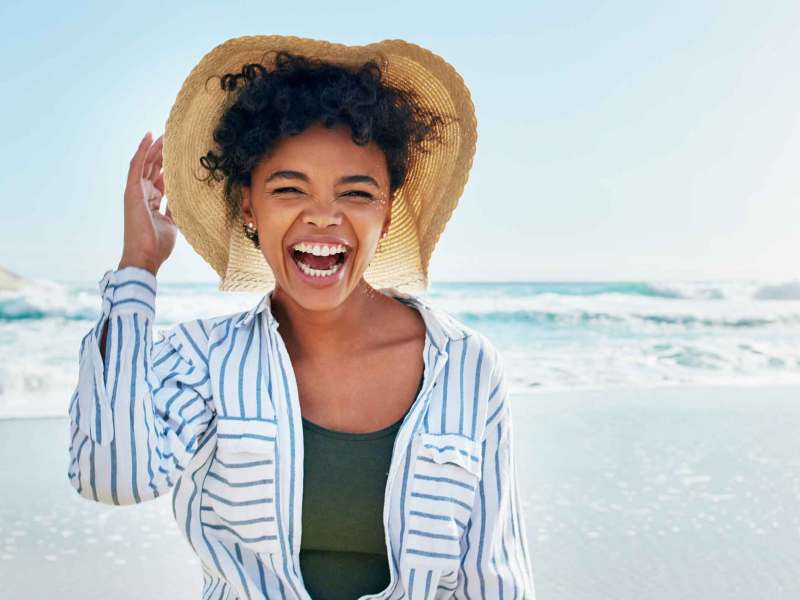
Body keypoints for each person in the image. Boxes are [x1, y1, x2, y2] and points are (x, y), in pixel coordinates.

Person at [67, 35, 535, 599]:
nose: (322, 217)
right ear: (249, 206)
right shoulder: (206, 361)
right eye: (290, 189)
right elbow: (111, 475)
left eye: (356, 194)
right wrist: (138, 267)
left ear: (387, 212)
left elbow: (494, 579)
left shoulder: (465, 367)